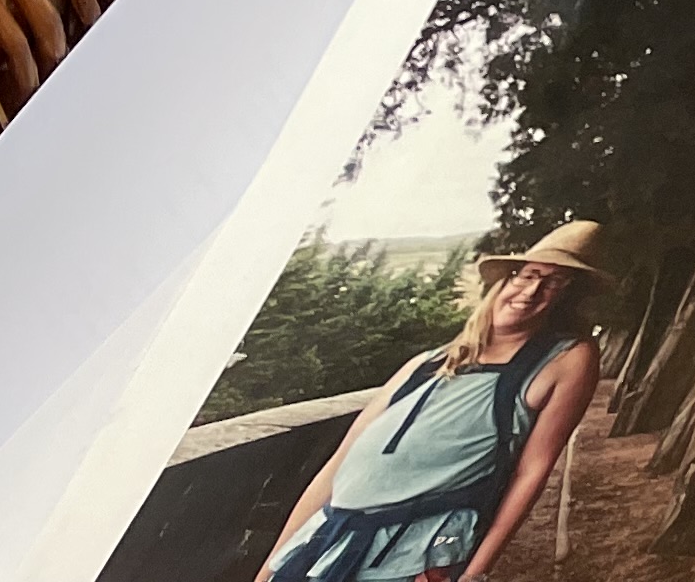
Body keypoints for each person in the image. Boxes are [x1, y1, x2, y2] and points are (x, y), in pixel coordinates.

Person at [251, 222, 608, 582]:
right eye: (527, 275)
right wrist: (268, 568)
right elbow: (340, 464)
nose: (531, 291)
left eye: (554, 283)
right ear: (504, 281)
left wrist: (475, 573)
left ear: (567, 300)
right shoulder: (424, 363)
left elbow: (531, 473)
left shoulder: (565, 359)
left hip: (416, 554)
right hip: (326, 544)